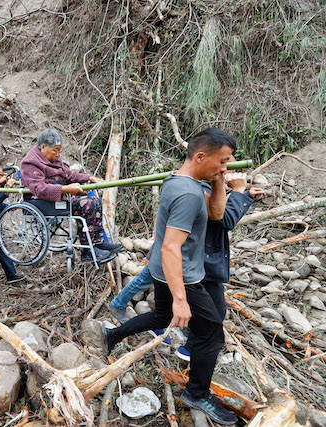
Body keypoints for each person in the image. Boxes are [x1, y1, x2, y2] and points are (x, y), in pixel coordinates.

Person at [102, 128, 239, 425]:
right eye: (222, 162)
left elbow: (216, 215)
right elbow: (170, 247)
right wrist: (181, 299)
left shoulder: (181, 181)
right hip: (183, 276)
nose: (226, 168)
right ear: (201, 156)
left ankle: (112, 335)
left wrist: (219, 181)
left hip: (166, 272)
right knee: (211, 333)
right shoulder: (189, 194)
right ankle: (198, 393)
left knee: (160, 316)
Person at [108, 171, 264, 351]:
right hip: (179, 260)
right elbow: (224, 218)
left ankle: (116, 331)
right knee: (209, 312)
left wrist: (245, 196)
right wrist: (238, 190)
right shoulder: (197, 190)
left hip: (174, 258)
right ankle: (189, 348)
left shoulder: (195, 187)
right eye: (224, 165)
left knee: (161, 312)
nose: (230, 173)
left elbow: (221, 211)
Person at [19, 128, 123, 264]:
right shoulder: (30, 163)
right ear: (43, 147)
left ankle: (97, 243)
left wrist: (89, 177)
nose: (58, 153)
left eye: (59, 150)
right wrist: (65, 188)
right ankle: (87, 251)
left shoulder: (55, 159)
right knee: (87, 204)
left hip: (62, 196)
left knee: (95, 201)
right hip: (44, 201)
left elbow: (68, 175)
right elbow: (40, 189)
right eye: (55, 150)